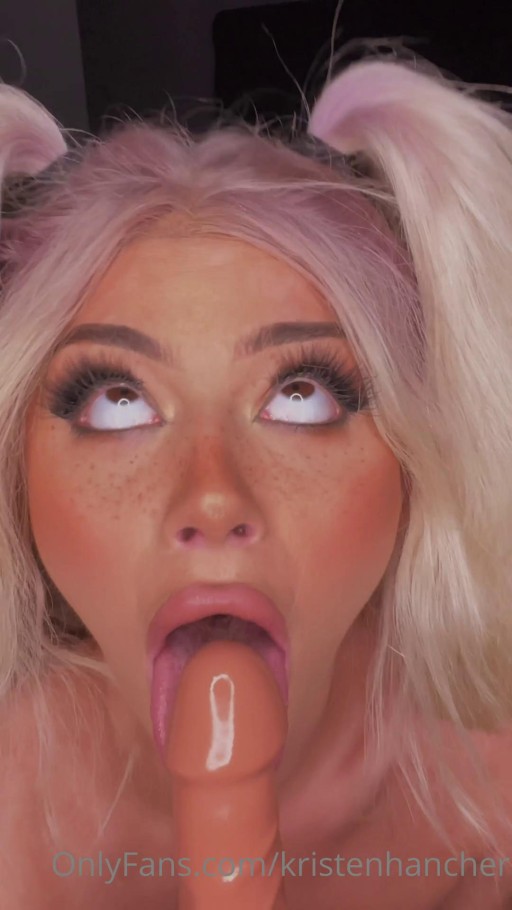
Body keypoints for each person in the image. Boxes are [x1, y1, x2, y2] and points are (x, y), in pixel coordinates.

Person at [1, 41, 512, 909]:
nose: (212, 497)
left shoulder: (492, 811)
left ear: (411, 464)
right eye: (117, 402)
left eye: (302, 397)